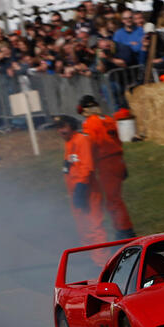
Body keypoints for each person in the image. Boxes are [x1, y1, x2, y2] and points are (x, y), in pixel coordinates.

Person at [77, 95, 133, 239]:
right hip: (117, 160)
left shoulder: (90, 123)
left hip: (105, 162)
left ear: (84, 110)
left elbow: (91, 144)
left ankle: (124, 231)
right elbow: (118, 141)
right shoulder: (108, 119)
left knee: (113, 200)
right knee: (116, 198)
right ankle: (124, 229)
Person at [57, 116, 105, 257]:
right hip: (76, 191)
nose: (61, 131)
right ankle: (92, 258)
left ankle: (102, 262)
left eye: (64, 127)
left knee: (94, 226)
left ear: (72, 127)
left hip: (87, 190)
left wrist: (81, 187)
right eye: (59, 128)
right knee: (83, 226)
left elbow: (87, 166)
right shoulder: (69, 142)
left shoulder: (81, 140)